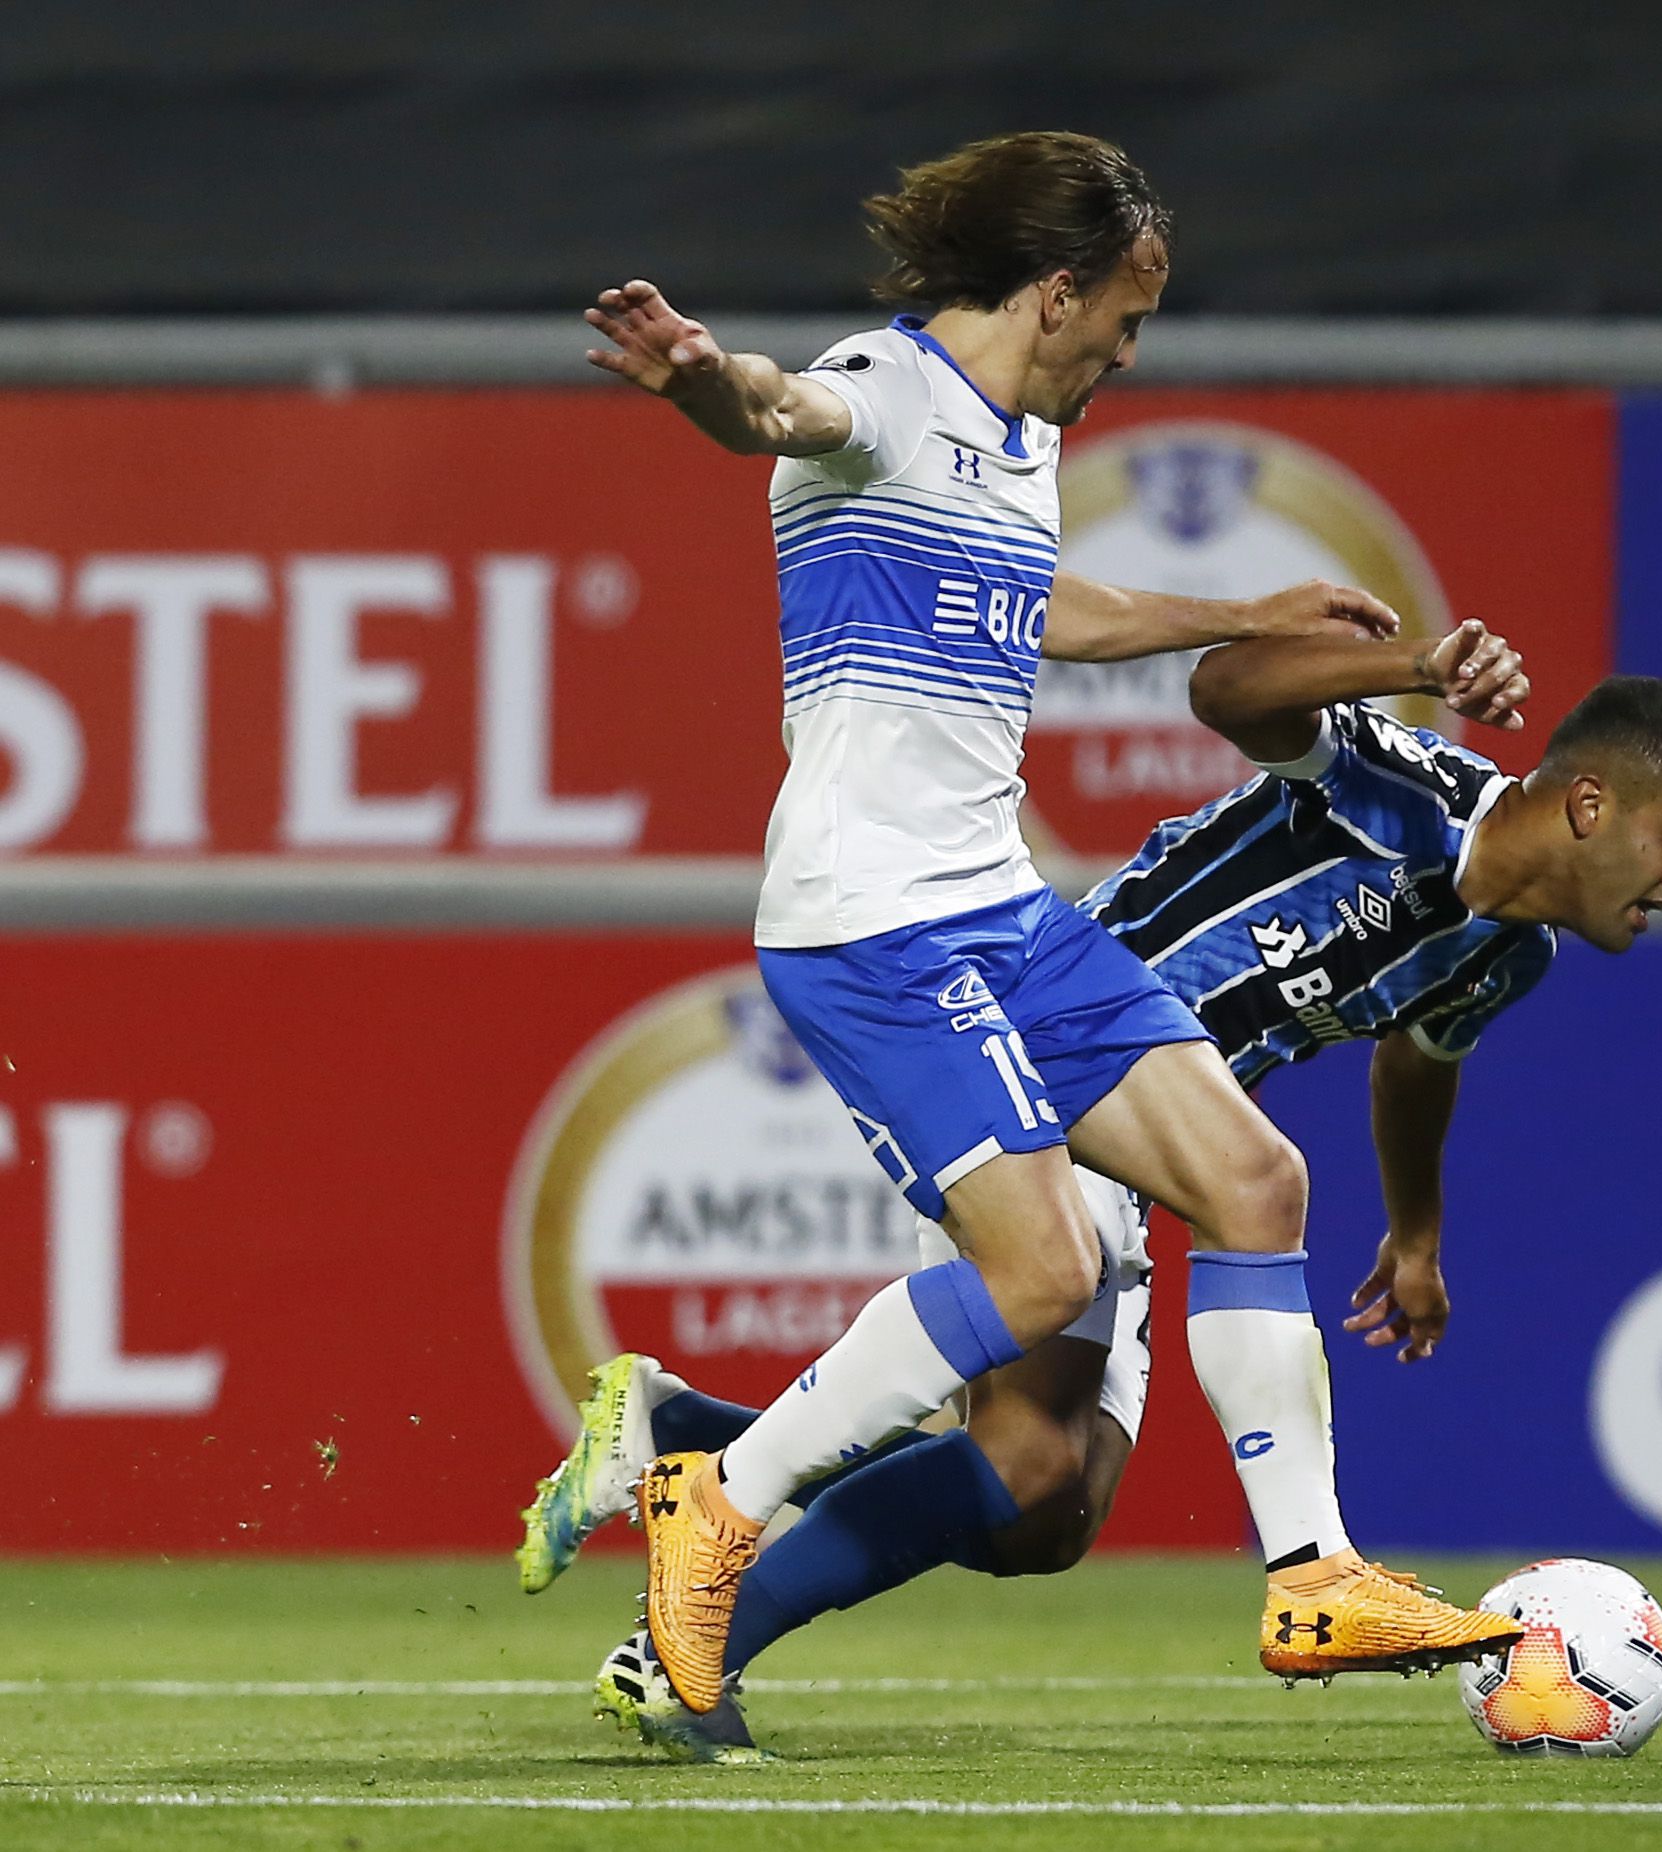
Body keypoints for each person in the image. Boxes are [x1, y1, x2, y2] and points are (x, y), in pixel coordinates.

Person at [575, 129, 1524, 1730]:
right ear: (1061, 289)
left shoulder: (1012, 447)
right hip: (870, 921)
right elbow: (770, 408)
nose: (1128, 355)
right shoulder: (881, 384)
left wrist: (1246, 610)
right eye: (1127, 321)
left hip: (998, 908)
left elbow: (1047, 608)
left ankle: (1312, 1579)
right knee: (1042, 1267)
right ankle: (717, 1498)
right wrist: (691, 375)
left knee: (1251, 1178)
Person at [531, 624, 1662, 1761]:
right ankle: (680, 1652)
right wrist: (1408, 659)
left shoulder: (1507, 948)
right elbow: (1225, 690)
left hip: (1155, 1147)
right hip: (1048, 1066)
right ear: (1589, 804)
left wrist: (1414, 1233)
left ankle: (673, 1436)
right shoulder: (1403, 789)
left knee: (1045, 1515)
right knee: (1028, 1452)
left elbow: (1415, 1058)